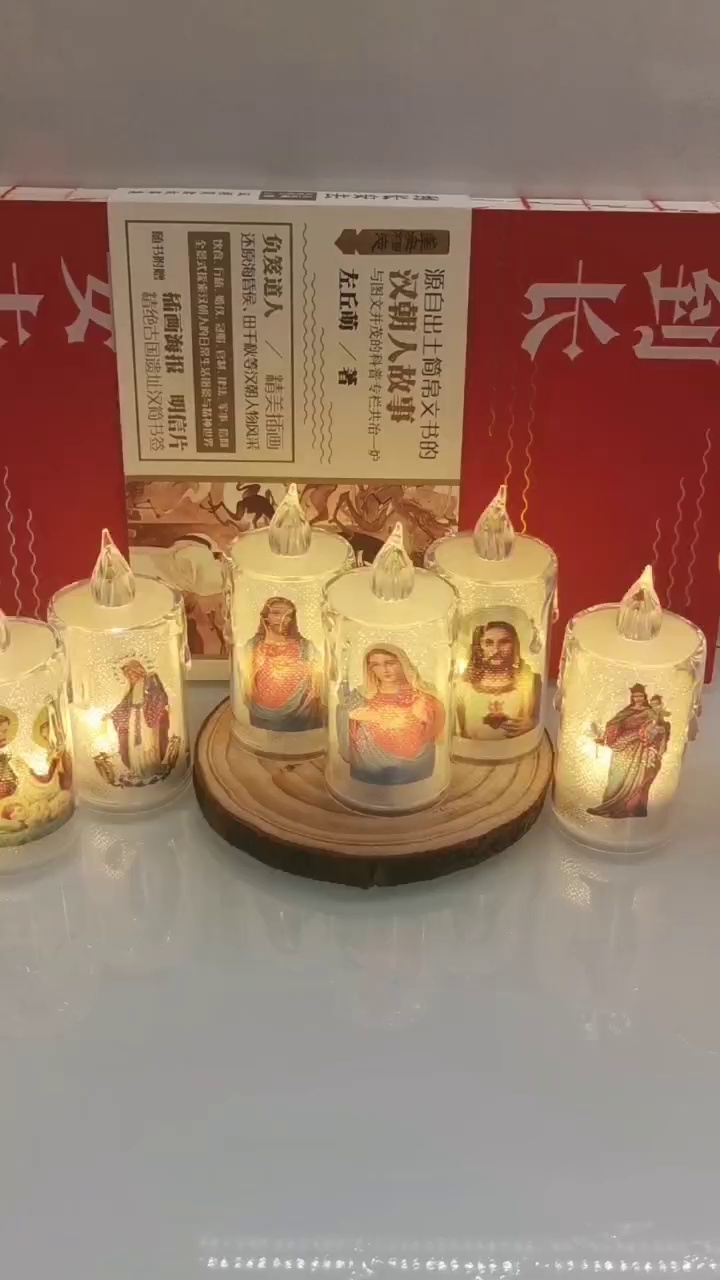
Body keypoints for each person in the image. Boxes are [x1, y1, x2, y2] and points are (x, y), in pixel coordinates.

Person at [337, 646, 445, 786]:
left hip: (411, 763)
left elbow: (432, 725)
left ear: (402, 662)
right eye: (376, 665)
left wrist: (423, 711)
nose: (384, 670)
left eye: (390, 663)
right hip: (369, 765)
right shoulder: (362, 695)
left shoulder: (422, 694)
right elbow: (348, 714)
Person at [588, 683, 669, 820]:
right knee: (616, 776)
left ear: (645, 697)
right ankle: (609, 806)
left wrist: (649, 734)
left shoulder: (649, 712)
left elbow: (656, 727)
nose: (638, 699)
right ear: (632, 697)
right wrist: (605, 736)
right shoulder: (626, 711)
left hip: (639, 747)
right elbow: (613, 724)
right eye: (635, 696)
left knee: (636, 777)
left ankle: (631, 808)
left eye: (641, 696)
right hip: (622, 747)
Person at [241, 597, 323, 733]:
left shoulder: (306, 647)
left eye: (288, 615)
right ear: (265, 616)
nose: (282, 619)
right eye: (276, 613)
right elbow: (246, 682)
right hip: (262, 716)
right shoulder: (252, 646)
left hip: (300, 715)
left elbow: (317, 682)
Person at [455, 620, 541, 741]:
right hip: (473, 751)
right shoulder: (463, 685)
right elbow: (454, 729)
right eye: (489, 643)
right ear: (480, 647)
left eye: (504, 642)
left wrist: (533, 724)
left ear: (515, 645)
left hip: (517, 750)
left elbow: (543, 716)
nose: (496, 650)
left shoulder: (530, 682)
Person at [108, 660, 170, 783]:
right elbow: (124, 705)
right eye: (128, 675)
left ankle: (151, 766)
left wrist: (152, 704)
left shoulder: (149, 680)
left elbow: (159, 695)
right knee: (134, 743)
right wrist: (112, 714)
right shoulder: (131, 689)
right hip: (133, 718)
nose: (130, 676)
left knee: (147, 740)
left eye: (132, 673)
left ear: (138, 670)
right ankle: (137, 769)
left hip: (145, 717)